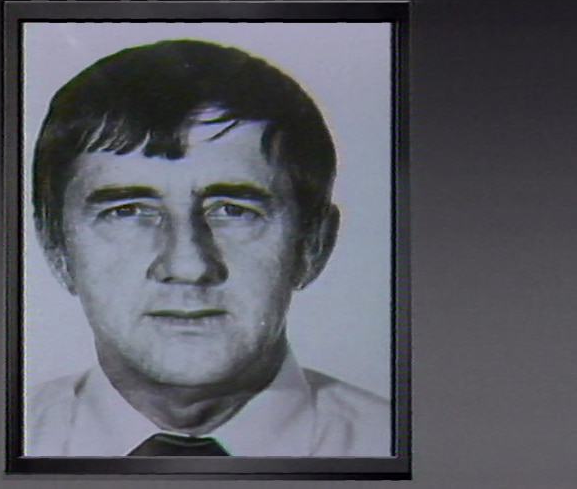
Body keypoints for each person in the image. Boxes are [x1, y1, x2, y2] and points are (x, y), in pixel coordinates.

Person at [25, 39, 390, 457]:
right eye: (127, 211)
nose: (188, 264)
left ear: (313, 245)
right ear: (56, 249)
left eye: (233, 210)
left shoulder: (408, 447)